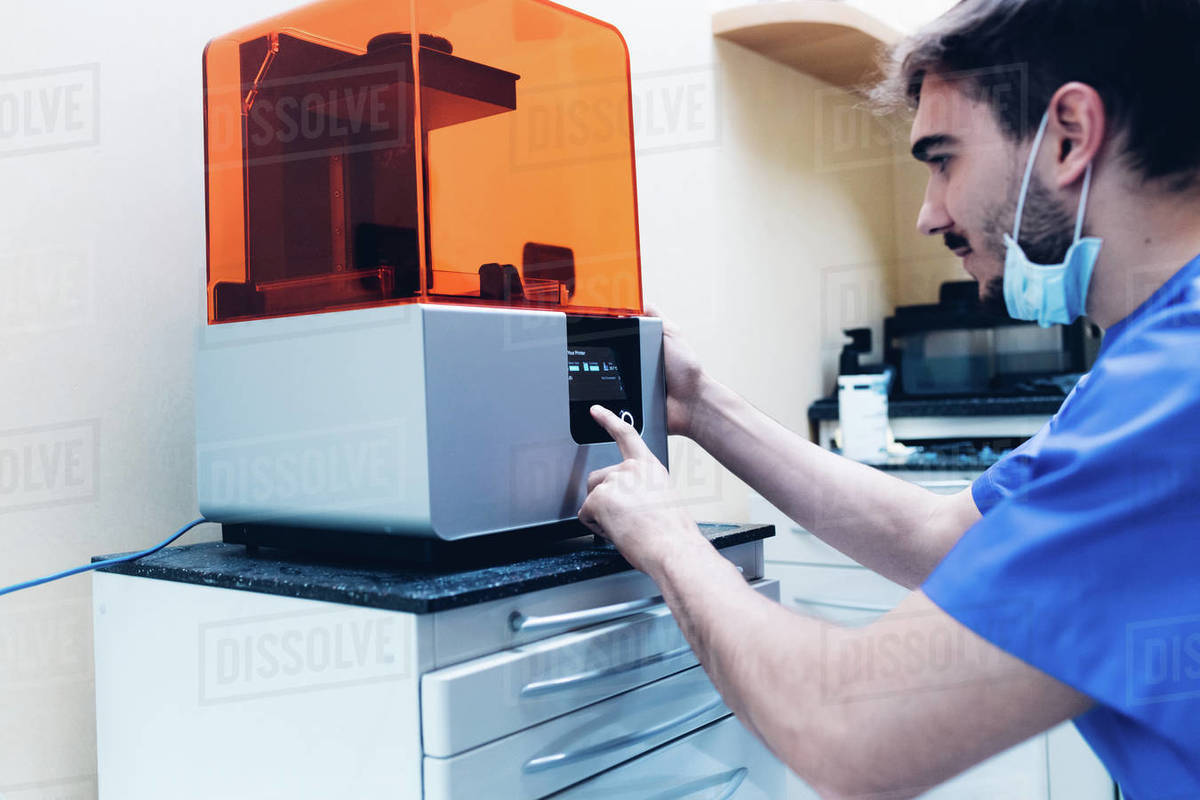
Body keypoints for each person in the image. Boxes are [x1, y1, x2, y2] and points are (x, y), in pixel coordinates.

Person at [578, 1, 1200, 797]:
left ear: (1071, 137)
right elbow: (939, 538)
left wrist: (667, 536)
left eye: (942, 159)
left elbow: (846, 729)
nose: (928, 212)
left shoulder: (1173, 396)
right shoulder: (1142, 370)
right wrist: (700, 406)